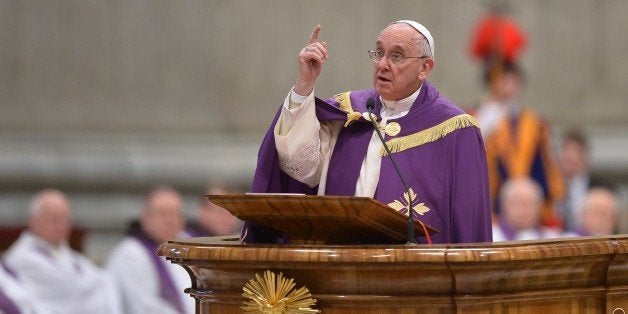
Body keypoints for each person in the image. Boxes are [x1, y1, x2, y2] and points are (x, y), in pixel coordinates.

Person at [243, 20, 492, 244]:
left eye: (396, 56)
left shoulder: (455, 128)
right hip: (339, 265)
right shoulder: (348, 112)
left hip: (415, 277)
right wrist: (304, 84)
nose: (383, 64)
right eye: (379, 53)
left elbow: (468, 220)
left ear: (424, 68)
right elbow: (300, 167)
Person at [2, 189, 121, 314]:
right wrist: (89, 288)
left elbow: (104, 284)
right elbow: (66, 291)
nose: (60, 225)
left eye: (65, 219)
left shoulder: (73, 257)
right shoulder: (22, 258)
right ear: (33, 221)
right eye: (54, 219)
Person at [477, 61, 565, 227]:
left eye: (513, 82)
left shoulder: (535, 123)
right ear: (492, 84)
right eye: (503, 82)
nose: (509, 88)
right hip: (494, 201)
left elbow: (543, 164)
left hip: (530, 196)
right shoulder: (476, 117)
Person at [105, 186, 194, 314]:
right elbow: (142, 307)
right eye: (163, 213)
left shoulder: (190, 246)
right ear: (146, 218)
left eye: (175, 213)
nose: (170, 221)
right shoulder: (131, 255)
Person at [492, 177, 561, 241]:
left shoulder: (552, 239)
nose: (523, 210)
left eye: (529, 204)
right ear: (504, 206)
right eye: (518, 203)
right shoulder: (491, 238)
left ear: (540, 207)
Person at [557, 129, 594, 232]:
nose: (570, 157)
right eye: (566, 150)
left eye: (577, 151)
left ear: (586, 157)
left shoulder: (600, 188)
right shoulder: (548, 187)